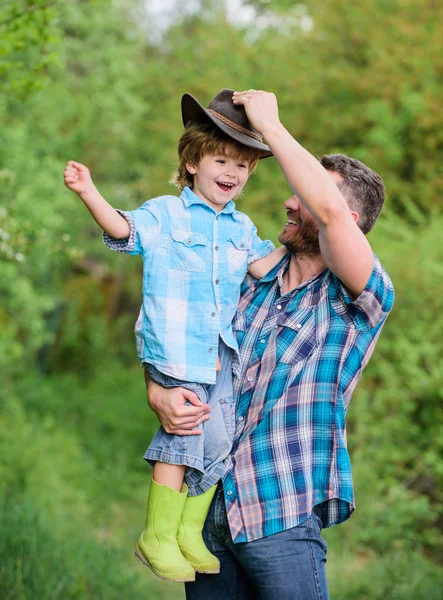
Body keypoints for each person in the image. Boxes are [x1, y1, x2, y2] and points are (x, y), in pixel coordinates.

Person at [145, 90, 395, 599]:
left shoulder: (361, 296)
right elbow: (175, 332)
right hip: (206, 513)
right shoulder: (246, 275)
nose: (287, 198)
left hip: (278, 514)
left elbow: (331, 215)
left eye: (303, 194)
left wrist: (273, 129)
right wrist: (157, 391)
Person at [63, 89, 287, 583]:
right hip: (175, 349)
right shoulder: (165, 214)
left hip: (219, 354)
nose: (232, 172)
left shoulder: (243, 227)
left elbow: (267, 267)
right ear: (192, 162)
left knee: (218, 442)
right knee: (181, 435)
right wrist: (89, 193)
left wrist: (309, 243)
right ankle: (157, 535)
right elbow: (123, 231)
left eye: (243, 166)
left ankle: (188, 531)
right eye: (221, 159)